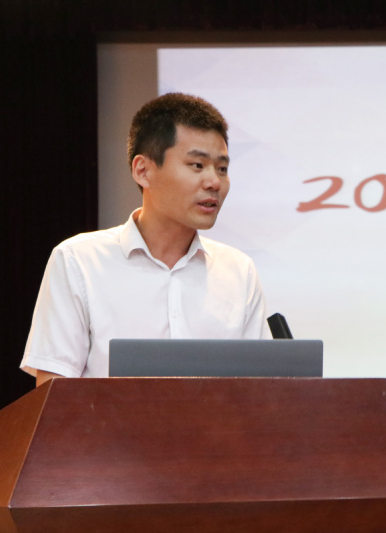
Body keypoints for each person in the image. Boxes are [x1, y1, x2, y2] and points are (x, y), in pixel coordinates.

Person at [20, 93, 269, 386]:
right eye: (197, 165)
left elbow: (261, 392)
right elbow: (53, 396)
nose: (214, 182)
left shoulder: (239, 272)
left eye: (222, 169)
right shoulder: (78, 262)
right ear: (143, 171)